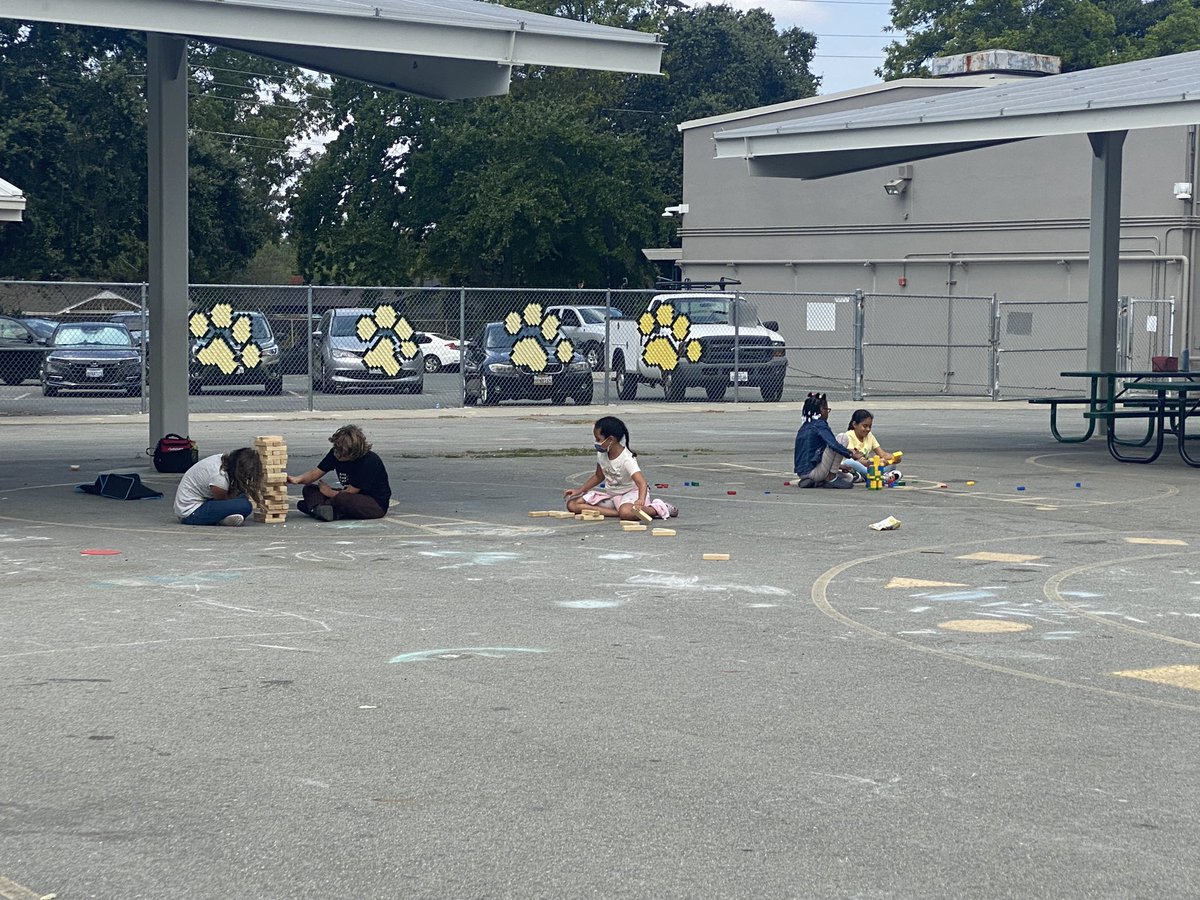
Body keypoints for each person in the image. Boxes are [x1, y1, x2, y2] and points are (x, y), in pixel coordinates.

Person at [564, 415, 678, 521]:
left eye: (598, 439)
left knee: (626, 512)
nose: (596, 443)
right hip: (612, 496)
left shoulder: (626, 459)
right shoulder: (602, 454)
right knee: (573, 504)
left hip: (631, 495)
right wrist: (580, 490)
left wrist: (640, 501)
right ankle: (618, 512)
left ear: (610, 440)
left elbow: (642, 483)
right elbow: (598, 476)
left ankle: (657, 508)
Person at [288, 424, 390, 521]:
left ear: (354, 453)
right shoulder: (335, 453)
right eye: (336, 451)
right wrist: (296, 479)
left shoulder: (369, 461)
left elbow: (350, 492)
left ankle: (318, 508)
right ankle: (322, 510)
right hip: (345, 495)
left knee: (342, 498)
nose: (337, 456)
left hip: (373, 503)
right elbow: (314, 474)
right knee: (309, 488)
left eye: (342, 454)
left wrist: (330, 493)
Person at [174, 448, 266, 526]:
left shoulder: (223, 460)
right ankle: (220, 520)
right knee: (245, 506)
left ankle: (222, 518)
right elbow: (222, 499)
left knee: (241, 497)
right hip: (190, 513)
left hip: (205, 500)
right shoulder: (220, 479)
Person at [792, 392, 865, 488]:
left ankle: (815, 481)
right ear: (822, 410)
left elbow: (816, 453)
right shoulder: (819, 425)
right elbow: (833, 444)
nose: (827, 413)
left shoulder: (804, 427)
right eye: (827, 409)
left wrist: (839, 466)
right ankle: (831, 478)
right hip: (814, 472)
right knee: (842, 438)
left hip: (803, 473)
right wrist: (851, 454)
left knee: (848, 477)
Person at [839, 408, 902, 486]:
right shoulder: (848, 436)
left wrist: (894, 458)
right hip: (854, 466)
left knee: (892, 465)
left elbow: (882, 454)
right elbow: (857, 459)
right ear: (855, 424)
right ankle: (879, 476)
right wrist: (875, 463)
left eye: (870, 426)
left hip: (867, 467)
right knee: (850, 462)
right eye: (865, 426)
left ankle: (868, 476)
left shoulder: (869, 436)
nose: (868, 429)